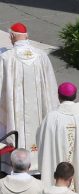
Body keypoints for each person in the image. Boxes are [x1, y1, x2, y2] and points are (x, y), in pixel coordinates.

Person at [1, 21, 57, 167]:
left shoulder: (7, 58)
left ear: (12, 36)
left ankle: (17, 163)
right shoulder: (41, 56)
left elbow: (2, 89)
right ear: (27, 36)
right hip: (38, 113)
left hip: (17, 112)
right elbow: (50, 85)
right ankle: (39, 163)